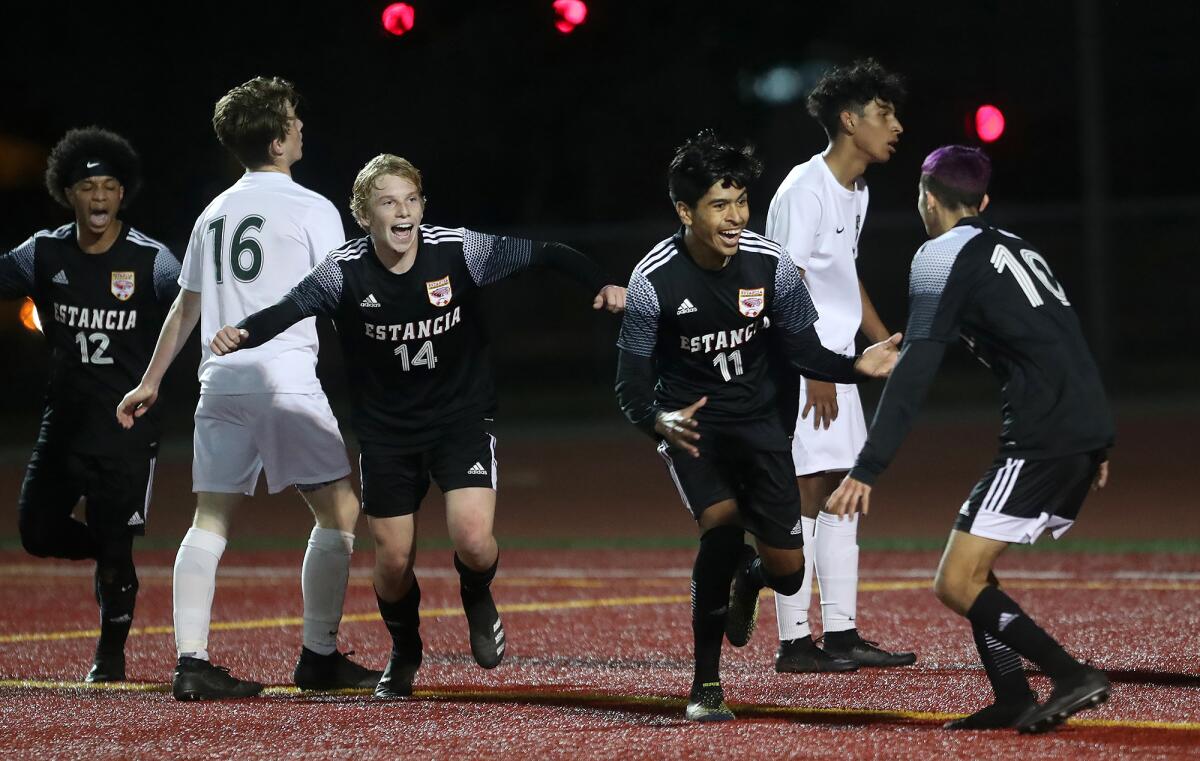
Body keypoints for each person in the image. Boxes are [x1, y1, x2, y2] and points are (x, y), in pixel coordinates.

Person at [206, 153, 626, 699]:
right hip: (387, 435)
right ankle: (405, 649)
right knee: (394, 558)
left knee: (473, 540)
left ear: (422, 206)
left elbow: (546, 253)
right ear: (364, 216)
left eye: (411, 199)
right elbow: (292, 306)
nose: (402, 212)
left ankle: (477, 594)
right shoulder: (345, 270)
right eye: (387, 202)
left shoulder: (459, 250)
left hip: (460, 420)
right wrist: (242, 332)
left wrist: (602, 282)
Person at [827, 145, 1115, 733]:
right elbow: (1066, 339)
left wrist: (868, 467)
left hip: (1041, 436)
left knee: (954, 581)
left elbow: (917, 375)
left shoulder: (939, 253)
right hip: (1075, 427)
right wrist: (1099, 439)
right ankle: (1011, 693)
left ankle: (1070, 674)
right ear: (983, 203)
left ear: (927, 199)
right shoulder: (1018, 247)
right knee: (974, 567)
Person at [615, 130, 900, 722]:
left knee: (790, 575)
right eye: (720, 205)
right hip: (695, 432)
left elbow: (803, 348)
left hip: (763, 427)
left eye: (741, 201)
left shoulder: (772, 265)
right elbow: (631, 387)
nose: (736, 216)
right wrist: (657, 421)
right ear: (684, 211)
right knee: (719, 532)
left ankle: (754, 576)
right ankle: (705, 685)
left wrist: (854, 367)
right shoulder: (651, 281)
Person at [116, 77, 379, 700]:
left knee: (209, 519)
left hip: (221, 384)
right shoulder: (312, 207)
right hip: (285, 379)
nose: (302, 127)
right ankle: (317, 655)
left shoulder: (215, 212)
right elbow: (344, 294)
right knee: (339, 512)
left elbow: (186, 309)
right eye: (294, 119)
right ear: (279, 138)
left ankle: (191, 662)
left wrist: (150, 381)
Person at [0, 128, 178, 683]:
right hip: (65, 423)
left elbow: (194, 308)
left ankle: (110, 656)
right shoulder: (43, 251)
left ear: (122, 194)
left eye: (109, 186)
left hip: (126, 427)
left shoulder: (153, 261)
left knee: (118, 545)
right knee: (36, 532)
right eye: (87, 187)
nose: (98, 198)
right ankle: (107, 549)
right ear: (67, 193)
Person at [765, 58, 915, 672]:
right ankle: (795, 643)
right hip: (805, 368)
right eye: (885, 115)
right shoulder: (804, 189)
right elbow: (781, 282)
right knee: (806, 491)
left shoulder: (857, 190)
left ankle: (844, 634)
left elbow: (842, 276)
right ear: (850, 122)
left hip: (838, 365)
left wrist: (884, 343)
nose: (897, 126)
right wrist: (817, 369)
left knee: (842, 494)